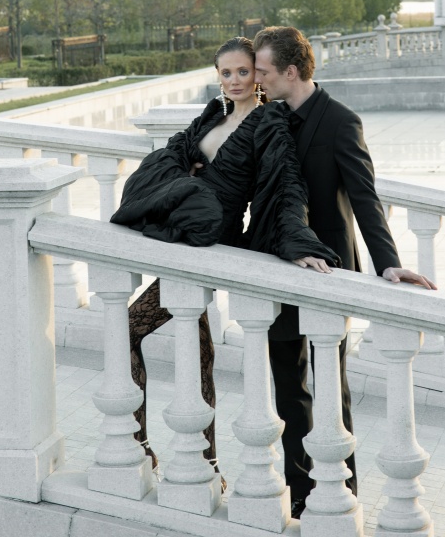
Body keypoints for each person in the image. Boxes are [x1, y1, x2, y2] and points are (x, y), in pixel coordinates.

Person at [110, 35, 339, 484]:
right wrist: (187, 173)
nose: (235, 80)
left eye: (243, 71)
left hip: (212, 242)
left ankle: (140, 446)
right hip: (184, 237)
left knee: (127, 329)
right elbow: (173, 155)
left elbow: (285, 182)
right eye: (226, 72)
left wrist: (300, 241)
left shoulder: (268, 120)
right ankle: (209, 465)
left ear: (258, 74)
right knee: (198, 351)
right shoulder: (213, 114)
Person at [253, 25, 435, 518]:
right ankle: (300, 495)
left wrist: (388, 263)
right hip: (274, 268)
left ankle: (344, 492)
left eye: (264, 71)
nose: (257, 79)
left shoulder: (340, 121)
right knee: (288, 389)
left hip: (328, 274)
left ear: (292, 71)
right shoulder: (264, 116)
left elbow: (364, 198)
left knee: (332, 388)